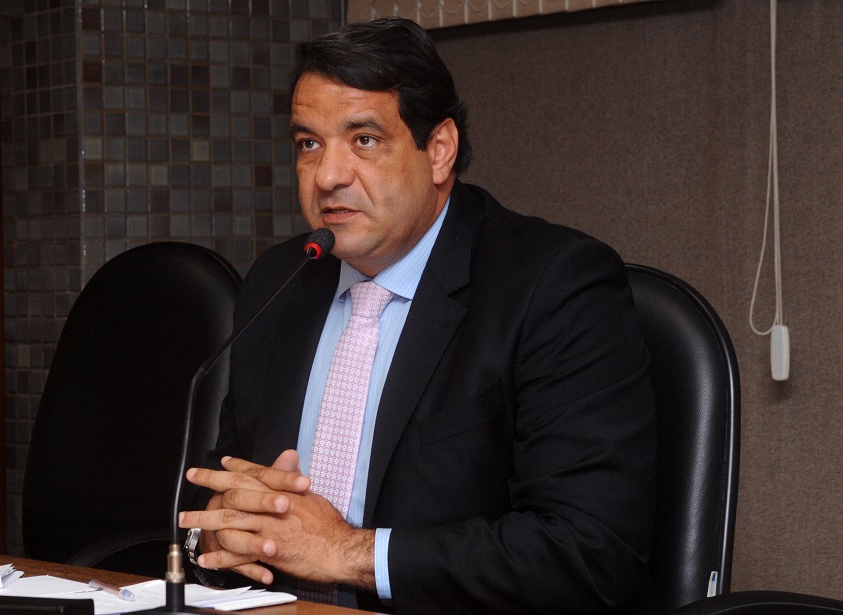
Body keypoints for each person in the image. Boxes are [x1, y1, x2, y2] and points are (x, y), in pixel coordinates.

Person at [178, 17, 657, 614]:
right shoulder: (282, 280)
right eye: (308, 144)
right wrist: (216, 536)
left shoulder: (553, 286)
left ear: (440, 150)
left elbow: (590, 552)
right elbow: (217, 488)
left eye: (364, 140)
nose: (327, 176)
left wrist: (346, 553)